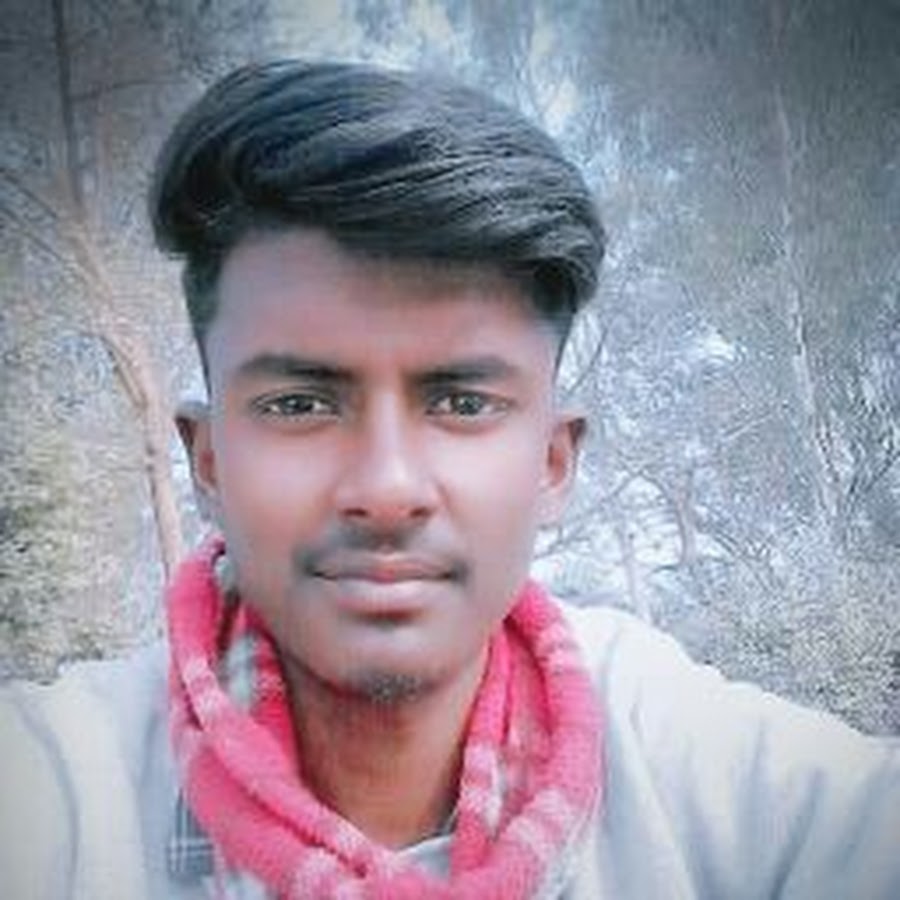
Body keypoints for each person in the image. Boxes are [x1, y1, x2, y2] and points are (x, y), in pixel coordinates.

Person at [1, 59, 897, 900]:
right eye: (299, 404)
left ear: (553, 462)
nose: (388, 489)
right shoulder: (54, 800)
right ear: (206, 461)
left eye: (464, 403)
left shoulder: (715, 777)